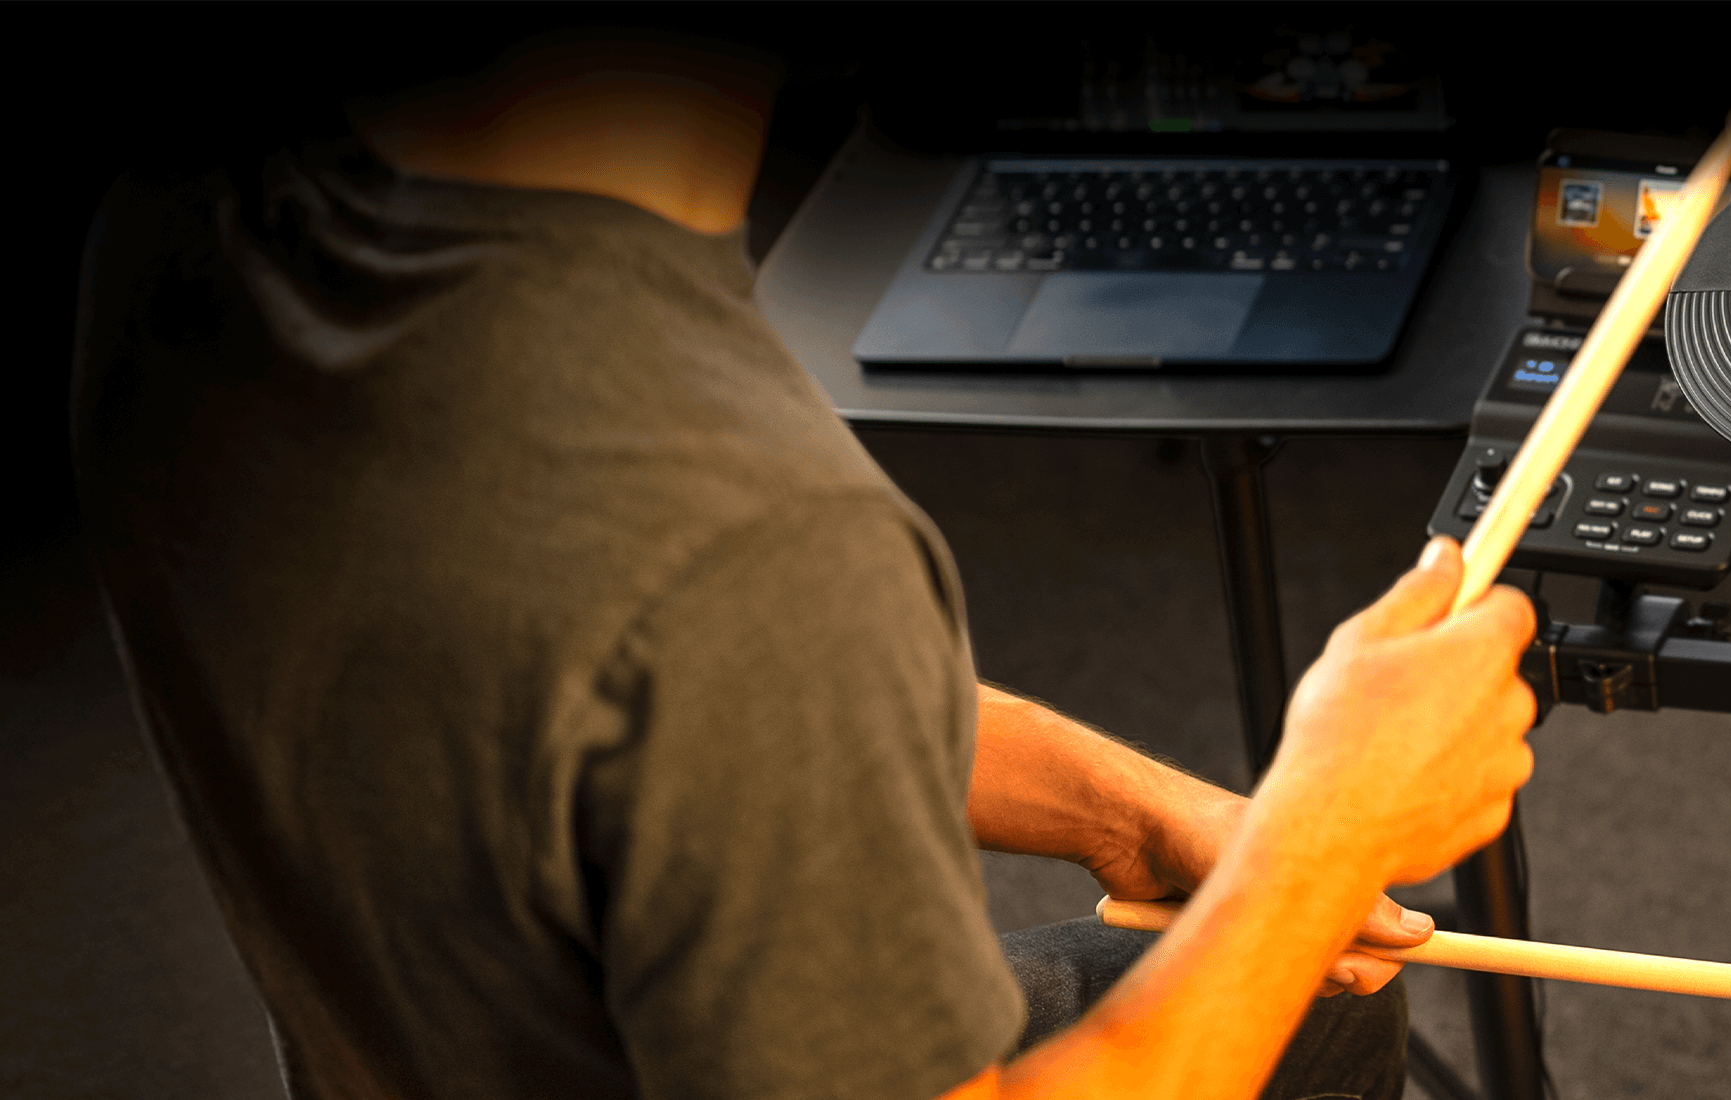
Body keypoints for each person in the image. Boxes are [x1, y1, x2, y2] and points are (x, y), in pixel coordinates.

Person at [69, 27, 1536, 1100]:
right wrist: (1321, 839)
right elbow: (717, 623)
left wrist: (1119, 805)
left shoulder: (200, 218)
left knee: (1310, 1019)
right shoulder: (751, 540)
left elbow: (624, 693)